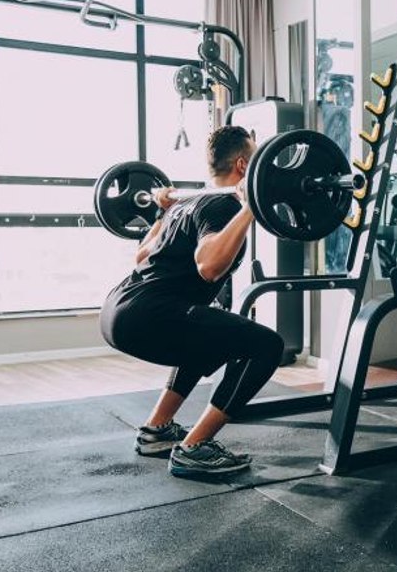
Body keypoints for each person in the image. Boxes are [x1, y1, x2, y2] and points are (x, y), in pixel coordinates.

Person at [100, 125, 284, 478]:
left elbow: (142, 257)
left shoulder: (186, 203)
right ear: (245, 167)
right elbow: (209, 267)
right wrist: (250, 208)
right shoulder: (224, 205)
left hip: (119, 309)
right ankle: (194, 448)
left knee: (207, 332)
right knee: (267, 346)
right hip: (148, 313)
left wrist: (160, 213)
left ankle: (157, 430)